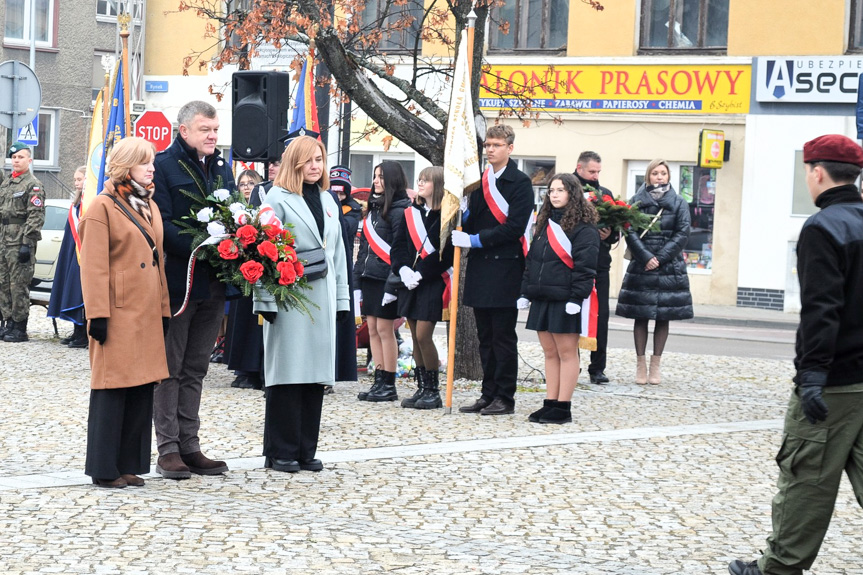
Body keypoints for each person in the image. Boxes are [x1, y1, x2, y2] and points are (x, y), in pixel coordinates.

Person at [728, 135, 863, 575]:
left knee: (806, 477)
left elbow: (822, 311)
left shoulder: (823, 228)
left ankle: (779, 568)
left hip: (837, 382)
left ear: (816, 172)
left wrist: (811, 377)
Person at [253, 135, 349, 473]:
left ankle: (306, 449)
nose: (315, 166)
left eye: (319, 160)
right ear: (294, 162)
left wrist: (342, 301)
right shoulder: (275, 199)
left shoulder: (327, 201)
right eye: (308, 160)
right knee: (287, 375)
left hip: (321, 297)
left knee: (314, 378)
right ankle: (281, 450)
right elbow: (262, 254)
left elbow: (337, 255)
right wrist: (264, 301)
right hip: (289, 296)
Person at [78, 137, 171, 488]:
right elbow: (94, 266)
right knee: (112, 387)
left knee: (140, 387)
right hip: (117, 312)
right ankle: (104, 468)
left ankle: (128, 464)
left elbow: (158, 263)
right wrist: (97, 314)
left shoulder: (150, 204)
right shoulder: (102, 206)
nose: (151, 168)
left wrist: (163, 309)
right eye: (144, 162)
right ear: (125, 166)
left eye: (152, 162)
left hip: (145, 311)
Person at [151, 100, 234, 480]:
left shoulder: (221, 166)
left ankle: (190, 445)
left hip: (214, 280)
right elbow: (163, 225)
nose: (212, 136)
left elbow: (235, 211)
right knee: (171, 366)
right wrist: (204, 244)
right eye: (205, 129)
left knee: (197, 366)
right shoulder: (165, 166)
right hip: (178, 279)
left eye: (215, 130)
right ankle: (167, 449)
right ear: (183, 130)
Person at [453, 124, 534, 415]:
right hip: (480, 270)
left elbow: (514, 228)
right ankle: (487, 394)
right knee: (484, 338)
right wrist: (464, 214)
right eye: (488, 145)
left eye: (497, 145)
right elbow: (474, 222)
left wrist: (475, 240)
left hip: (505, 269)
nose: (490, 150)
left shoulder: (520, 183)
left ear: (510, 148)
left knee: (502, 337)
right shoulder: (478, 181)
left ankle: (505, 397)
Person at [519, 174, 599, 424]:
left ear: (572, 194)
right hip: (542, 297)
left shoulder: (584, 228)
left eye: (560, 190)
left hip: (566, 299)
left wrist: (577, 297)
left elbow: (585, 267)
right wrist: (524, 291)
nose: (554, 194)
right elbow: (532, 261)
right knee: (549, 352)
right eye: (551, 190)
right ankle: (550, 402)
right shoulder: (544, 223)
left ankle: (563, 407)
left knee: (566, 352)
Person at [615, 159, 692, 385]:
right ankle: (640, 364)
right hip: (642, 265)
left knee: (663, 316)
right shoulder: (636, 202)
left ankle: (655, 364)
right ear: (648, 176)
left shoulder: (679, 203)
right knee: (641, 315)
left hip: (669, 266)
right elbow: (630, 231)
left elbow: (682, 233)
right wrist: (646, 257)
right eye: (655, 173)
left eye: (663, 173)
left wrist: (660, 258)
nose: (660, 177)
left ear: (669, 177)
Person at [391, 166, 453, 410]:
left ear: (437, 185)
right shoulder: (411, 213)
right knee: (414, 335)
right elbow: (399, 247)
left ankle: (434, 390)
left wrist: (421, 273)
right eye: (419, 180)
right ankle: (422, 387)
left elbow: (444, 253)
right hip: (410, 282)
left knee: (423, 334)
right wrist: (403, 270)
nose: (421, 184)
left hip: (431, 282)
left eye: (425, 181)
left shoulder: (447, 215)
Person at [353, 161, 411, 402]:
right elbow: (364, 248)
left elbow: (401, 251)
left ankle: (389, 382)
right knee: (374, 330)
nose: (375, 181)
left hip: (387, 280)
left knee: (386, 331)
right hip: (369, 277)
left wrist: (393, 284)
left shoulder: (400, 210)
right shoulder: (373, 208)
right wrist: (356, 281)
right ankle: (379, 379)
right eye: (375, 177)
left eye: (381, 177)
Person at [573, 151, 618, 384]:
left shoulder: (605, 194)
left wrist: (609, 234)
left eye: (598, 172)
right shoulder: (568, 189)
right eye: (592, 171)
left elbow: (616, 230)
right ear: (579, 168)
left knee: (600, 318)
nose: (595, 176)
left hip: (599, 265)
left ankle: (597, 367)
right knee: (570, 317)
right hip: (571, 264)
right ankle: (572, 366)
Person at [0, 142, 46, 343]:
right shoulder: (7, 183)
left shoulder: (32, 184)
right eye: (14, 157)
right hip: (3, 240)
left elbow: (36, 216)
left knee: (18, 285)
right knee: (3, 283)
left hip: (19, 242)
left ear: (29, 160)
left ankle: (19, 327)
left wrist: (27, 243)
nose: (16, 160)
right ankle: (8, 321)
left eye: (20, 157)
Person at [225, 168, 265, 389]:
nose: (247, 187)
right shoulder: (234, 211)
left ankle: (254, 369)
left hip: (259, 272)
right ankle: (241, 368)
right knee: (240, 321)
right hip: (240, 273)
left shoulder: (264, 209)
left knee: (255, 323)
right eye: (242, 184)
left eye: (251, 183)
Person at [48, 165, 88, 348]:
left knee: (79, 291)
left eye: (80, 179)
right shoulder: (77, 202)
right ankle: (77, 330)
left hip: (83, 252)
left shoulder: (90, 202)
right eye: (75, 179)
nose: (76, 182)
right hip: (73, 250)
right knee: (72, 289)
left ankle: (83, 333)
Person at [329, 165, 361, 386]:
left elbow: (344, 230)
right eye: (334, 191)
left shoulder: (353, 209)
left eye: (341, 193)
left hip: (341, 265)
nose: (337, 196)